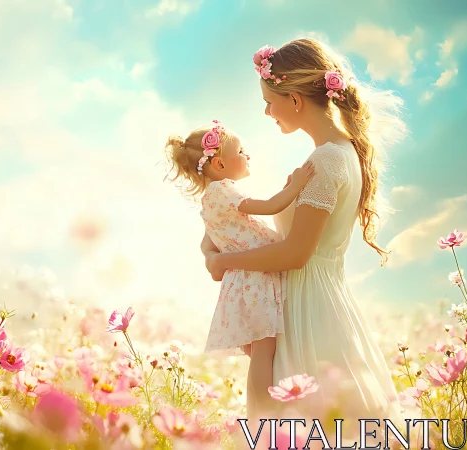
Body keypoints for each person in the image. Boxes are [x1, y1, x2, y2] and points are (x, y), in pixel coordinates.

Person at [202, 39, 407, 437]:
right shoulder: (338, 154)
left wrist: (222, 262)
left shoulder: (328, 159)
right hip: (319, 299)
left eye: (269, 100)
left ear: (295, 99)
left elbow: (296, 253)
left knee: (305, 425)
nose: (266, 111)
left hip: (307, 310)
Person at [164, 119, 315, 422]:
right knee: (264, 354)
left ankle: (266, 413)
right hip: (253, 281)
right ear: (219, 163)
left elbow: (207, 244)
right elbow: (270, 206)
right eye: (242, 151)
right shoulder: (224, 189)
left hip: (243, 283)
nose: (248, 156)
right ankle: (264, 416)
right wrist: (297, 186)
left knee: (261, 353)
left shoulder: (210, 200)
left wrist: (214, 259)